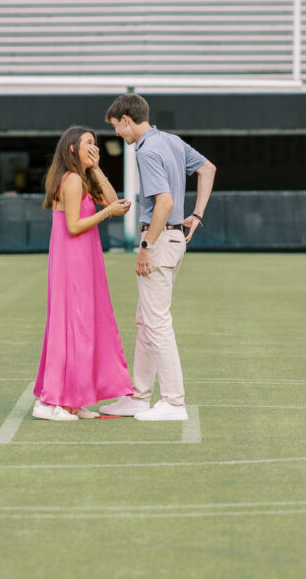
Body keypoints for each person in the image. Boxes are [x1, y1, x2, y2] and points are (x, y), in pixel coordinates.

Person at [100, 94, 216, 422]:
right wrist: (197, 214)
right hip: (174, 238)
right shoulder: (172, 141)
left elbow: (163, 203)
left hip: (160, 240)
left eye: (115, 127)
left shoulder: (148, 149)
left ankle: (174, 402)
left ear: (126, 119)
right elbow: (208, 169)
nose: (117, 135)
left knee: (156, 322)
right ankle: (139, 397)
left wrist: (146, 246)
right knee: (146, 320)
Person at [33, 126, 133, 422]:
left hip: (85, 262)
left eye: (96, 143)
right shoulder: (72, 179)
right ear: (73, 148)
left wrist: (98, 167)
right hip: (71, 264)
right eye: (89, 143)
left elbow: (115, 200)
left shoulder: (84, 177)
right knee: (68, 327)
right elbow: (74, 226)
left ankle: (72, 401)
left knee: (85, 328)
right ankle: (49, 401)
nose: (94, 147)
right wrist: (106, 214)